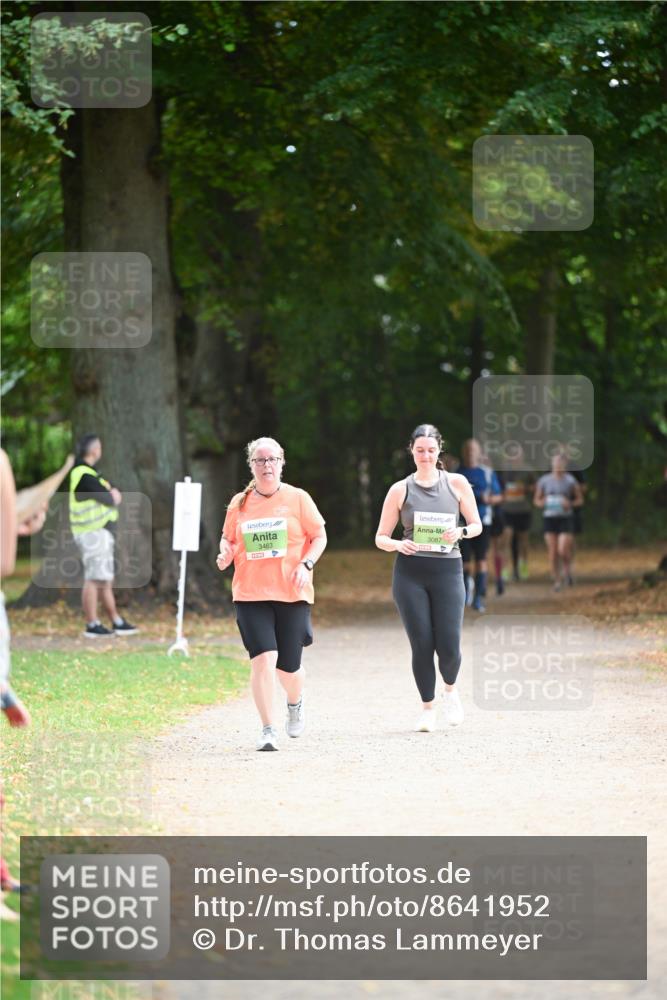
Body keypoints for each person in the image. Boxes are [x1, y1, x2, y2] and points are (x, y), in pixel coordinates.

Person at [217, 437, 327, 751]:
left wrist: (306, 564)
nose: (267, 466)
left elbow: (319, 536)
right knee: (263, 659)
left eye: (272, 459)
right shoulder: (240, 502)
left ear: (282, 462)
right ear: (251, 465)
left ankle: (295, 701)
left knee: (288, 668)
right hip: (250, 593)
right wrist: (225, 553)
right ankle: (267, 728)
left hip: (292, 592)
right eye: (260, 460)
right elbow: (228, 540)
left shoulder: (298, 498)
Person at [375, 423, 482, 733]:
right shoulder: (400, 489)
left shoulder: (457, 483)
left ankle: (450, 690)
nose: (425, 455)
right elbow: (381, 536)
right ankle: (427, 708)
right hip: (410, 573)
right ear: (412, 451)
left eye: (431, 450)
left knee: (449, 645)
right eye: (419, 450)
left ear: (439, 452)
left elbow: (476, 525)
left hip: (448, 570)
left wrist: (460, 531)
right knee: (422, 643)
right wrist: (398, 543)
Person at [69, 434, 137, 638]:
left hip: (98, 533)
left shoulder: (90, 474)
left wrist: (113, 494)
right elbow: (110, 497)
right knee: (94, 578)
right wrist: (112, 495)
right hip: (91, 533)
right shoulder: (83, 474)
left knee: (105, 579)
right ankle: (92, 624)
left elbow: (113, 493)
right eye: (99, 446)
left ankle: (116, 621)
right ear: (94, 450)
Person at [456, 438, 502, 613]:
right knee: (464, 561)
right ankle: (467, 591)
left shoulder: (488, 473)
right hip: (461, 523)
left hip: (483, 521)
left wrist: (488, 499)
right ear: (463, 452)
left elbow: (499, 496)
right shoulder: (456, 473)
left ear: (479, 452)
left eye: (473, 450)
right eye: (467, 450)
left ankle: (478, 598)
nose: (470, 453)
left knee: (481, 559)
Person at [534, 453, 584, 590]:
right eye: (555, 464)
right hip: (549, 518)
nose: (557, 466)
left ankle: (567, 570)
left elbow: (580, 500)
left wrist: (570, 503)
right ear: (552, 464)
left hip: (565, 518)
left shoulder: (570, 480)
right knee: (552, 551)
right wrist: (542, 502)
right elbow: (536, 500)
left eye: (560, 464)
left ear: (564, 465)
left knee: (562, 549)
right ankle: (556, 580)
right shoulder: (544, 480)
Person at [502, 447, 535, 582]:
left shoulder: (528, 470)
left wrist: (524, 488)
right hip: (507, 509)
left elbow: (535, 487)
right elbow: (499, 486)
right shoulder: (505, 470)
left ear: (522, 457)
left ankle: (523, 566)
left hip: (523, 510)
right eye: (513, 455)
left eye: (518, 455)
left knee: (523, 539)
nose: (516, 458)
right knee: (507, 537)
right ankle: (506, 568)